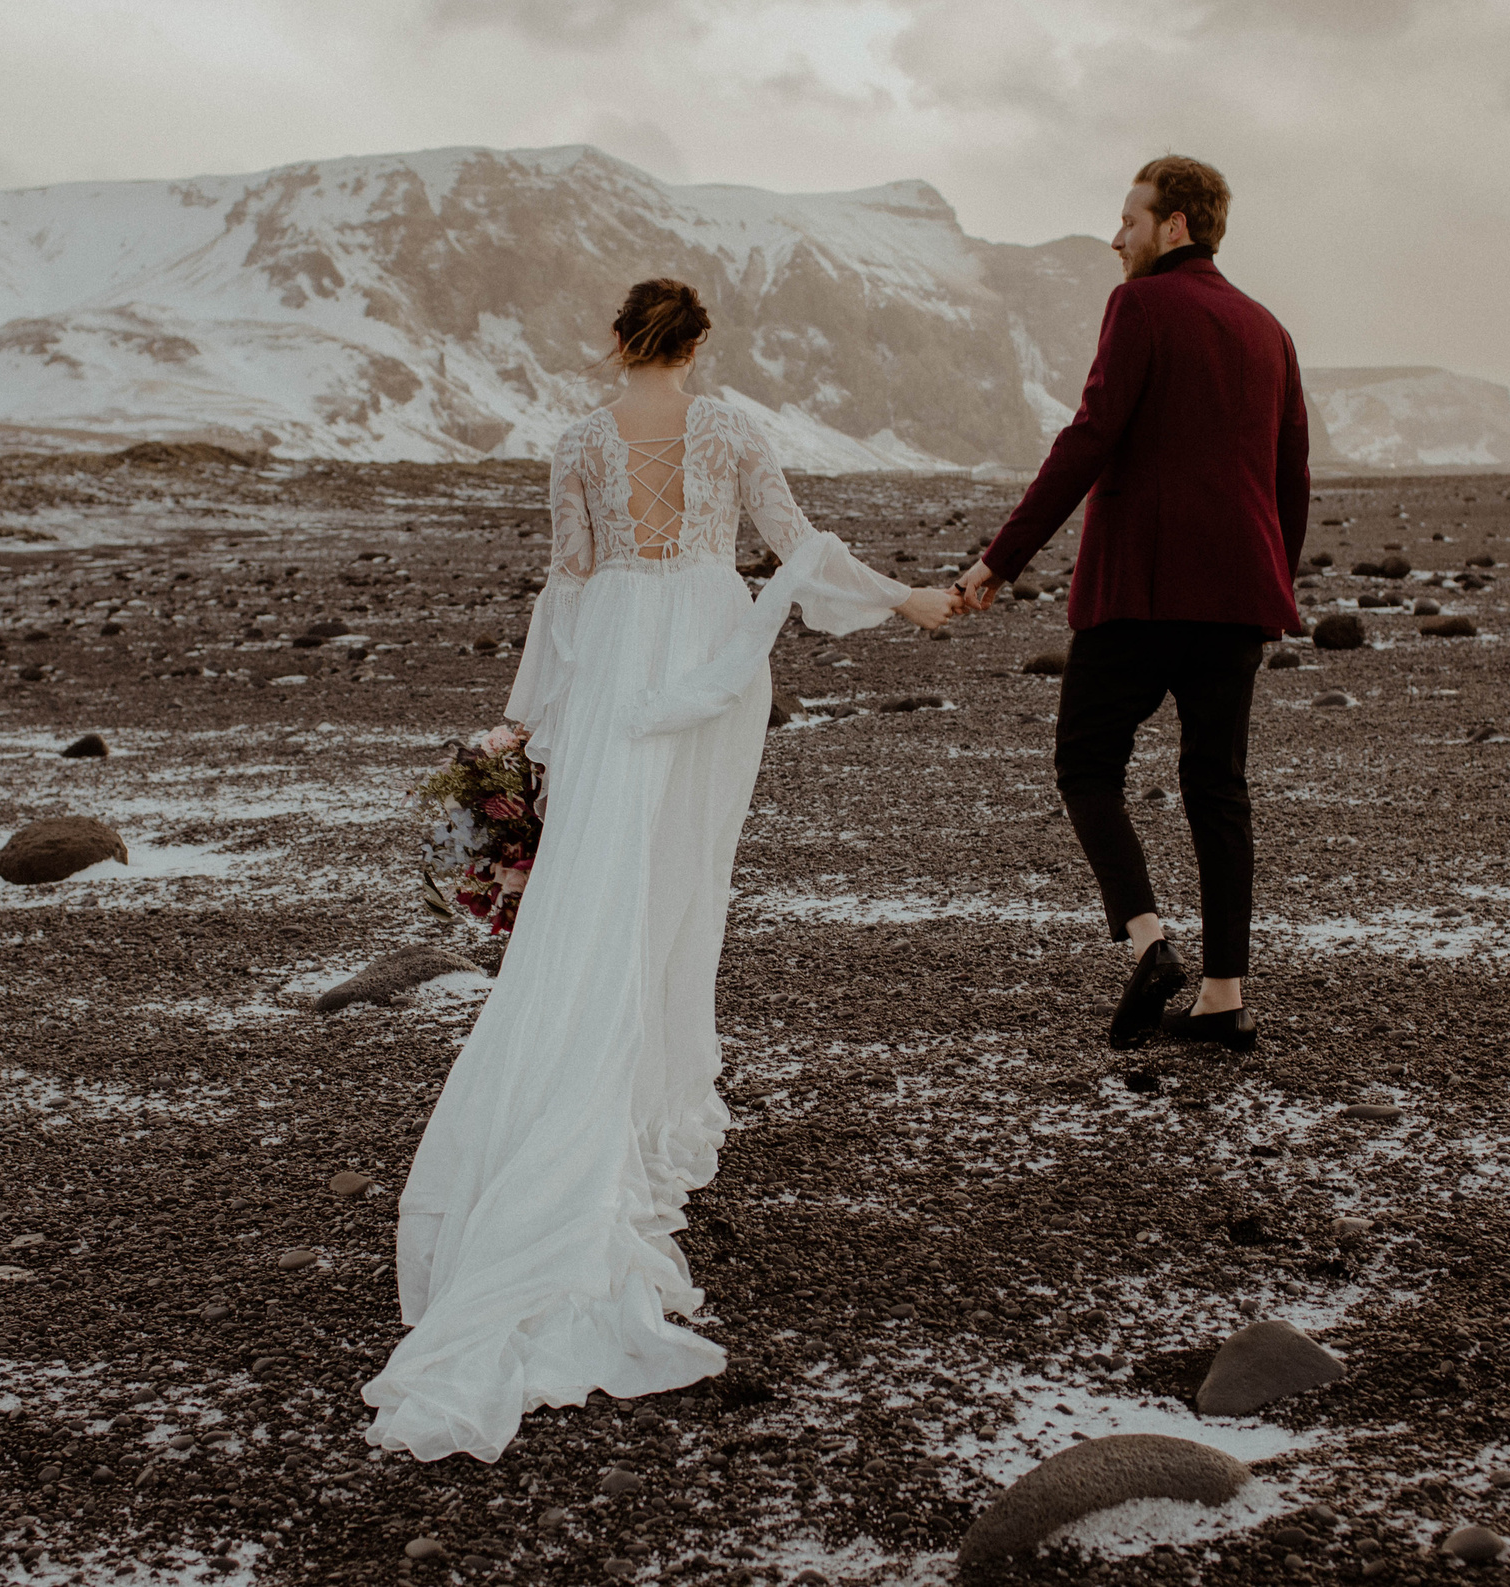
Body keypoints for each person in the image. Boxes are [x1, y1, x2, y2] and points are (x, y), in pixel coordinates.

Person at [362, 278, 958, 1463]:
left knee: (598, 890)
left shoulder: (579, 442)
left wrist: (527, 719)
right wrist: (908, 600)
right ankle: (625, 1123)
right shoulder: (729, 429)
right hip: (708, 656)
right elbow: (796, 546)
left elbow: (569, 585)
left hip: (615, 664)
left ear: (616, 340)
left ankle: (590, 1112)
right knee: (680, 889)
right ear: (699, 344)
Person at [956, 156, 1311, 1054]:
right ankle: (1225, 997)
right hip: (1239, 598)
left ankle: (1150, 940)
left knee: (1085, 765)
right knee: (1218, 788)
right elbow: (1290, 475)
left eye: (1129, 219)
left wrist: (1001, 558)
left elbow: (1090, 436)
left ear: (1175, 225)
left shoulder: (1141, 304)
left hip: (1142, 593)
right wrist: (1274, 580)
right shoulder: (1269, 328)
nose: (1116, 238)